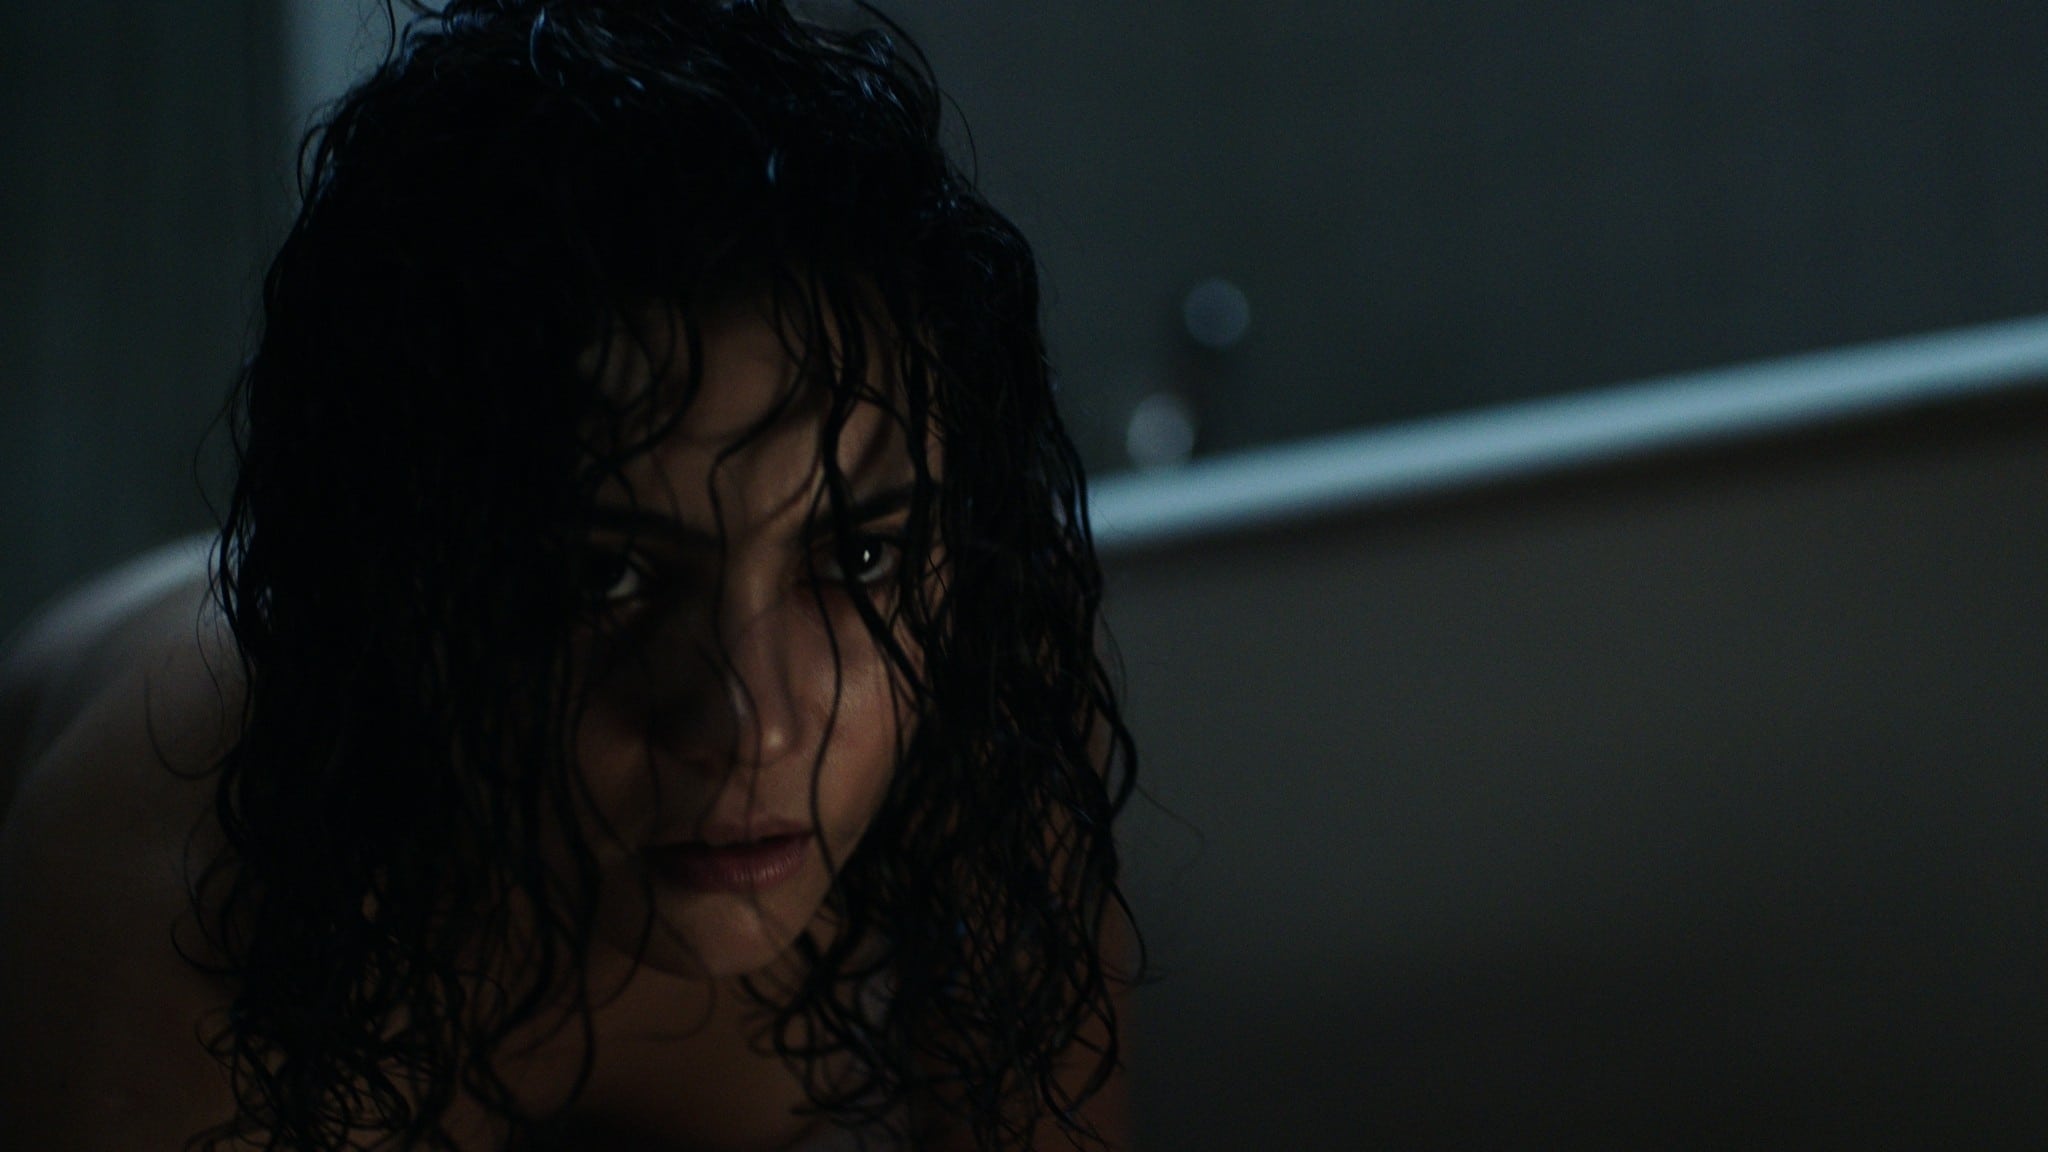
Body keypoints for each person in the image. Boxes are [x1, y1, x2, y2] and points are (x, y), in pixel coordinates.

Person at [0, 2, 1139, 1149]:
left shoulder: (983, 686)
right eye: (605, 575)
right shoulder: (194, 885)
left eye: (855, 555)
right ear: (406, 584)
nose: (751, 725)